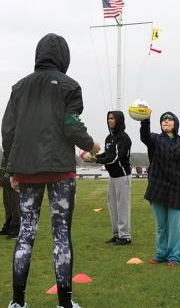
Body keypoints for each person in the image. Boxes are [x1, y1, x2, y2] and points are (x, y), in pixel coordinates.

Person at [1, 33, 100, 308]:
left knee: (25, 234)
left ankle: (18, 302)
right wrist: (91, 144)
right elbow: (71, 125)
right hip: (60, 172)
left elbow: (7, 132)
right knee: (61, 235)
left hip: (27, 170)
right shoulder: (70, 86)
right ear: (63, 57)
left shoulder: (19, 87)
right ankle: (65, 304)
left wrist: (13, 170)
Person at [140, 111, 180, 266]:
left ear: (175, 123)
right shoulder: (155, 139)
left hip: (176, 189)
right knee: (161, 225)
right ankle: (161, 254)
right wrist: (145, 120)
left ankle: (174, 256)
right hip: (158, 188)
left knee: (174, 226)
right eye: (163, 120)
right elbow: (144, 136)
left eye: (169, 119)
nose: (166, 121)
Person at [81, 111, 132, 245]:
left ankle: (125, 236)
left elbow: (115, 158)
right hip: (112, 177)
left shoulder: (124, 138)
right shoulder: (109, 138)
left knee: (122, 207)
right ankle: (117, 235)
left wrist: (96, 160)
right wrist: (94, 157)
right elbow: (107, 154)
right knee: (112, 206)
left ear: (119, 120)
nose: (109, 121)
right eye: (108, 118)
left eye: (112, 118)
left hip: (122, 176)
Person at [0, 157, 20, 239]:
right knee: (8, 204)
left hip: (13, 174)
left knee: (15, 205)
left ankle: (16, 229)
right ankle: (8, 226)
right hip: (6, 176)